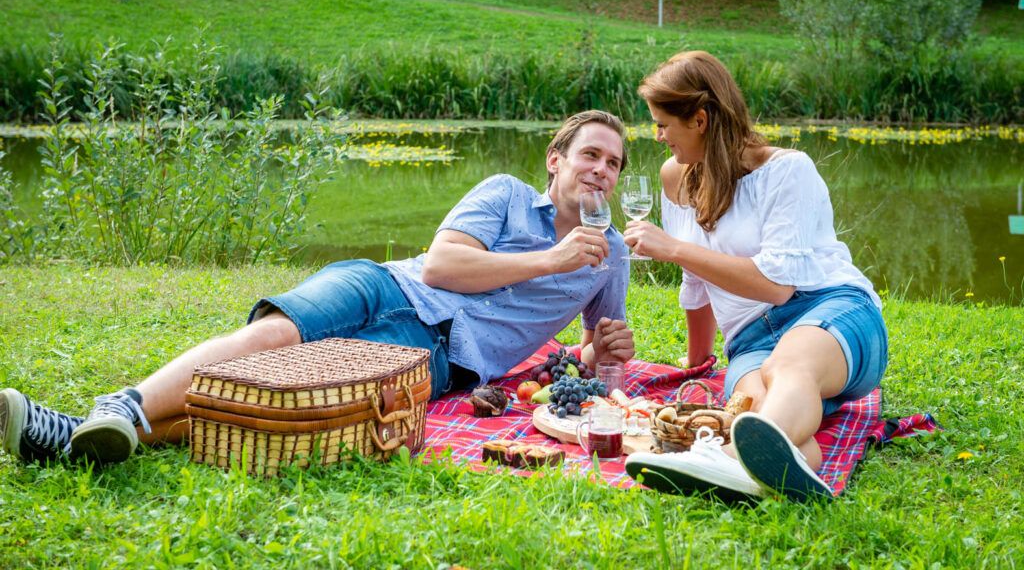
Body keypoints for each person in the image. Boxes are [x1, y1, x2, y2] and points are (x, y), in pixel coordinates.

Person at [0, 110, 636, 466]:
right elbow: (444, 267)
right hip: (389, 285)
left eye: (613, 163)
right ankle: (123, 405)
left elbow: (588, 354)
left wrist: (601, 355)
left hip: (442, 355)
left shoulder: (608, 258)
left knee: (290, 399)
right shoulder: (501, 192)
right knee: (277, 337)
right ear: (556, 159)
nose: (601, 171)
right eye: (591, 155)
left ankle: (75, 437)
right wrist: (549, 261)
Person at [622, 52, 887, 501]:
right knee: (755, 413)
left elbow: (776, 286)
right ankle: (792, 473)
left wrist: (674, 248)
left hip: (827, 308)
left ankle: (720, 462)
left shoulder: (787, 171)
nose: (659, 135)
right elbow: (697, 283)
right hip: (749, 341)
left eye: (664, 123)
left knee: (788, 365)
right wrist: (697, 362)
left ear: (701, 119)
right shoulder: (676, 177)